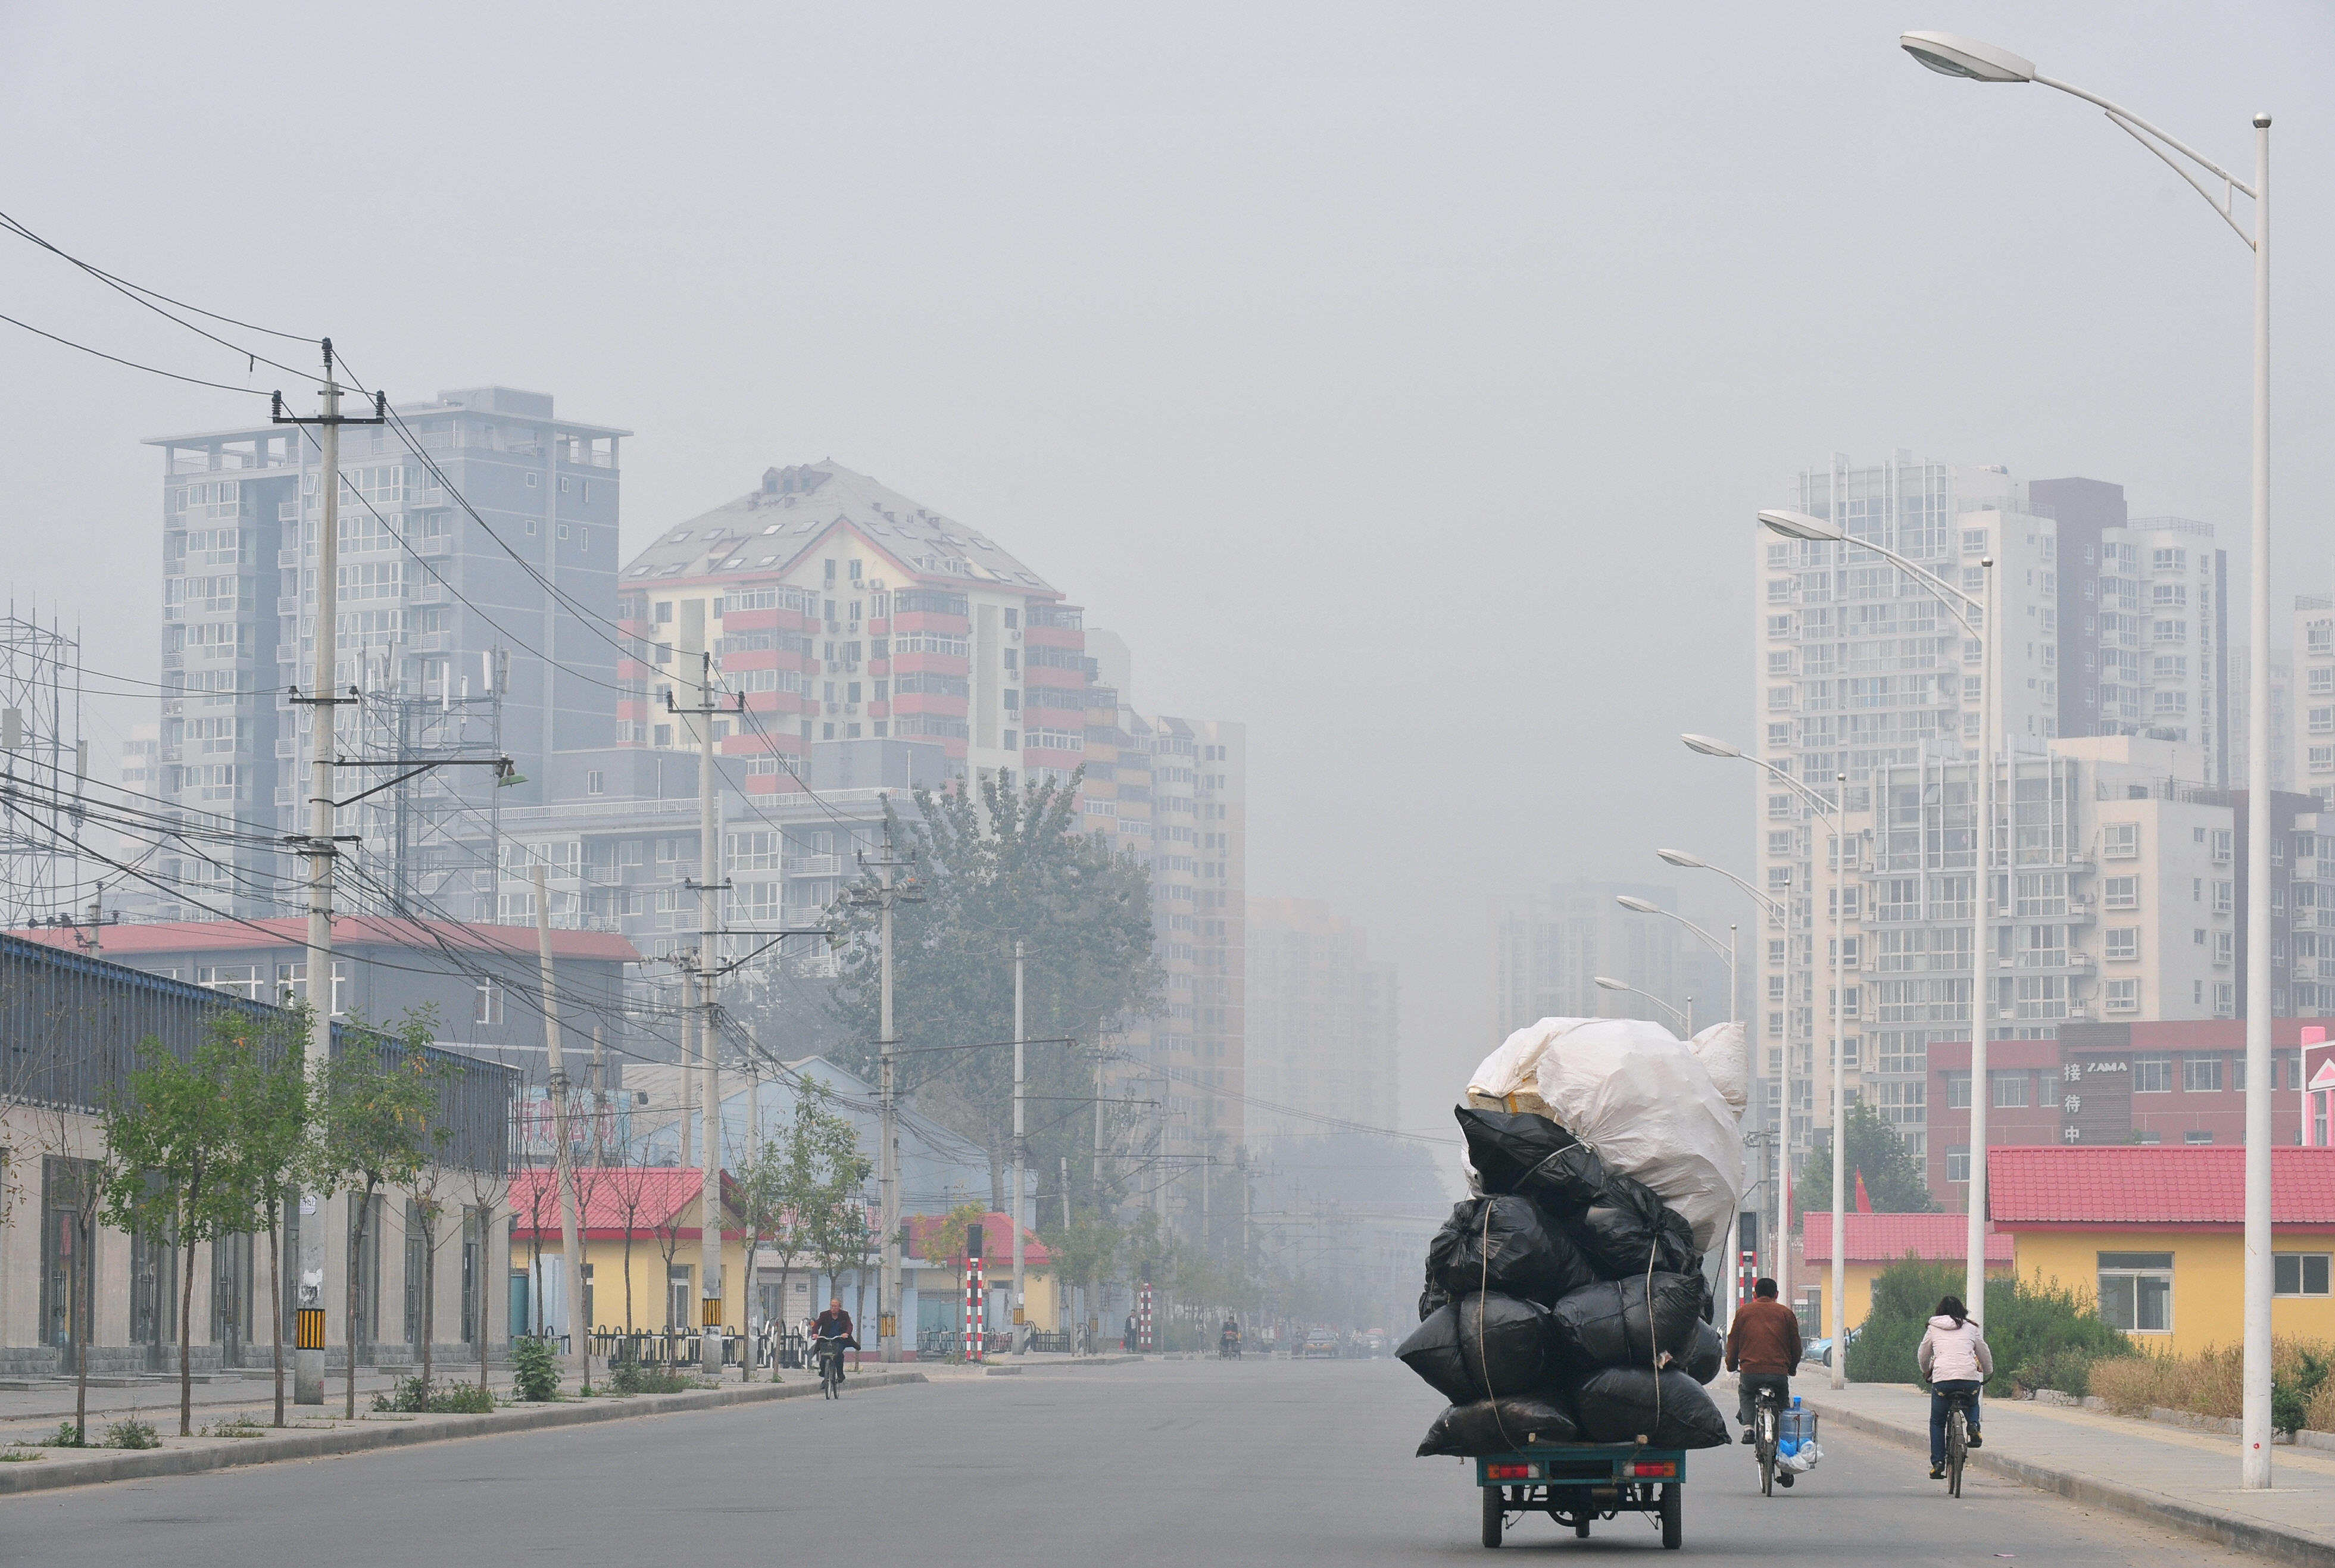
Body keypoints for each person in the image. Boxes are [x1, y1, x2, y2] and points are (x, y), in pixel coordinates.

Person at [1916, 1294, 1991, 1480]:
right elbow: (1984, 1351)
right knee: (1973, 1403)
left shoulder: (1933, 1328)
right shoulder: (1971, 1328)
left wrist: (1926, 1371)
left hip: (1943, 1381)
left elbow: (1923, 1354)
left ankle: (1938, 1463)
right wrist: (1988, 1370)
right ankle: (1973, 1425)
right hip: (1968, 1380)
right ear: (1962, 1311)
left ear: (1940, 1312)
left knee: (1937, 1422)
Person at [1724, 1276, 1802, 1445]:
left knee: (1746, 1393)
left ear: (1754, 1294)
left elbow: (1733, 1341)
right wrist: (1792, 1369)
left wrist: (1731, 1366)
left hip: (1751, 1372)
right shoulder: (1786, 1314)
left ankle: (1749, 1429)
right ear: (1777, 1294)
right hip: (1778, 1373)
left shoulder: (1744, 1313)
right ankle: (1784, 1444)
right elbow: (1796, 1345)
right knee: (1782, 1402)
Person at [810, 1297, 857, 1383]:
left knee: (838, 1355)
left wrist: (846, 1334)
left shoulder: (844, 1315)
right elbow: (817, 1325)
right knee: (824, 1357)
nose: (833, 1308)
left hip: (839, 1340)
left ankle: (840, 1375)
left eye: (835, 1306)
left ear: (840, 1307)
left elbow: (849, 1325)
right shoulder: (824, 1315)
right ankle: (825, 1374)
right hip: (826, 1340)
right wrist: (815, 1334)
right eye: (832, 1306)